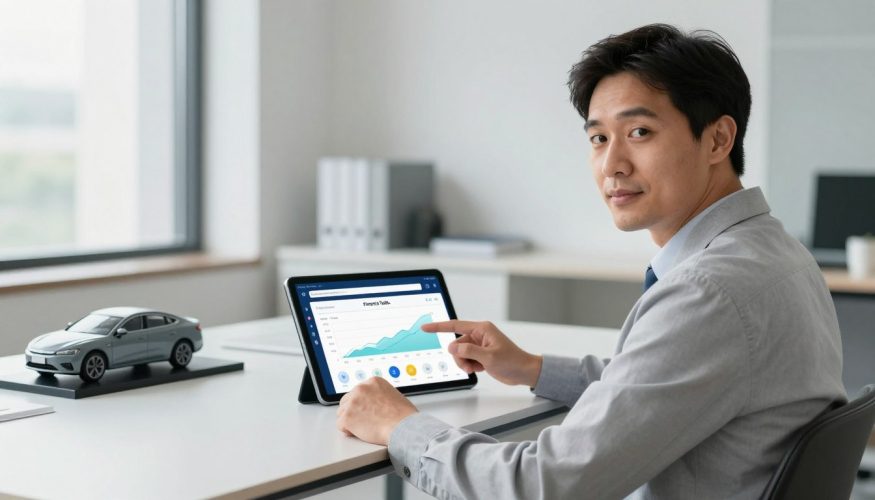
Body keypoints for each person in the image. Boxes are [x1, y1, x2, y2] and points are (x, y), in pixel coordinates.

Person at [335, 23, 846, 498]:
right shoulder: (775, 251)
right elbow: (661, 380)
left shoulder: (709, 291)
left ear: (717, 139)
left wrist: (400, 426)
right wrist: (531, 368)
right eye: (599, 138)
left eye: (640, 132)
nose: (612, 165)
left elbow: (546, 485)